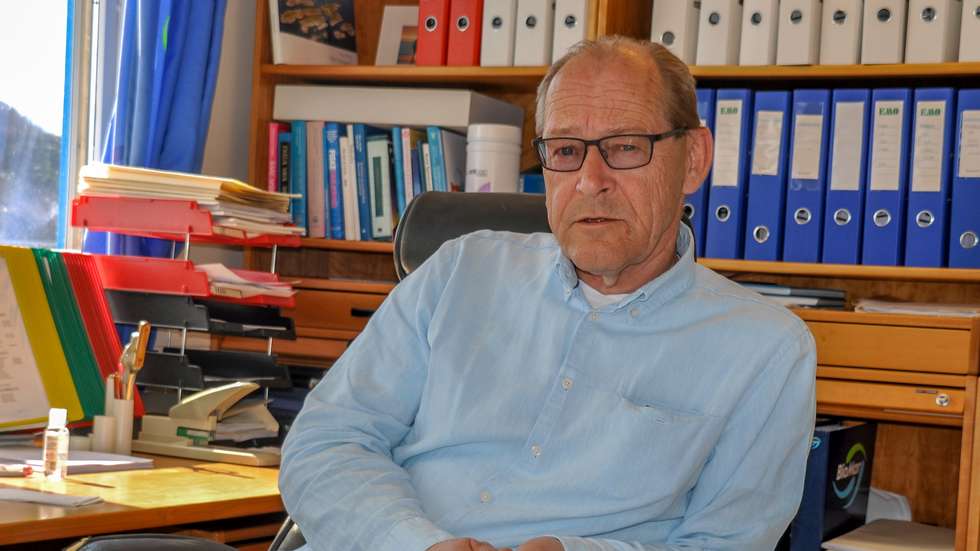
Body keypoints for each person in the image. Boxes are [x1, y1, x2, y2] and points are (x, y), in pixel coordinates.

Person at [280, 36, 816, 551]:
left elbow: (727, 544)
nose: (589, 180)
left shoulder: (764, 349)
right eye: (565, 150)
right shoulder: (460, 271)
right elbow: (326, 442)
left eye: (626, 147)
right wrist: (419, 545)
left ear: (694, 158)